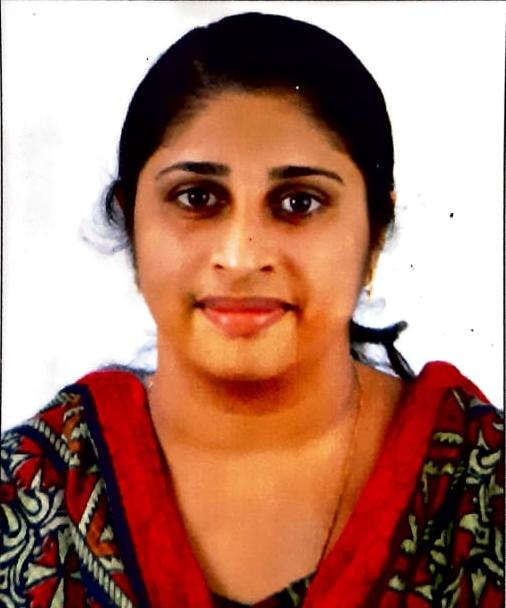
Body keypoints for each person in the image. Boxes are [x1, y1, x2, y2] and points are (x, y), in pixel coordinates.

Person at [0, 12, 503, 608]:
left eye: (298, 202)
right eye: (197, 198)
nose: (240, 257)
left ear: (374, 234)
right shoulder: (33, 486)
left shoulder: (482, 486)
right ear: (133, 223)